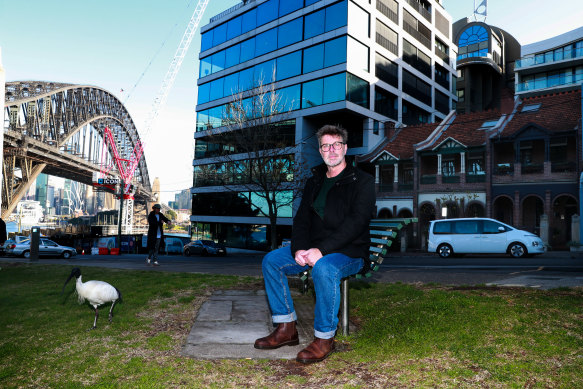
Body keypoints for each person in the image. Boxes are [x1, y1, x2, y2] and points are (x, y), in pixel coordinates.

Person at [254, 125, 376, 364]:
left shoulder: (362, 181)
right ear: (320, 151)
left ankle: (324, 339)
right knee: (271, 261)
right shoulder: (315, 181)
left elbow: (357, 223)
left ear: (345, 148)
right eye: (326, 146)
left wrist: (322, 251)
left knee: (324, 267)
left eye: (336, 145)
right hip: (314, 249)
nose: (331, 150)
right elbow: (301, 220)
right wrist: (299, 249)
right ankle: (285, 328)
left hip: (349, 251)